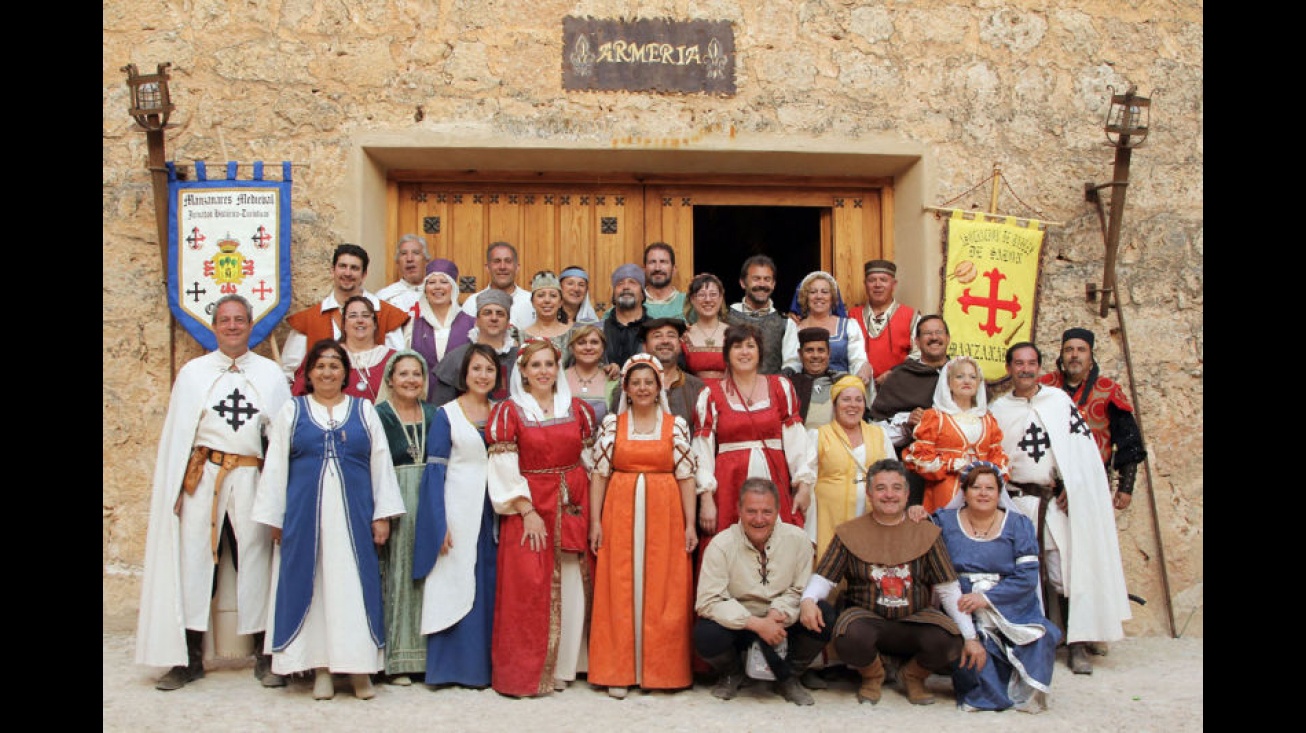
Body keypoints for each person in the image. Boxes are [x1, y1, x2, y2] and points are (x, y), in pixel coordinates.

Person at [136, 295, 292, 691]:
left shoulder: (272, 375)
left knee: (256, 561)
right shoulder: (193, 373)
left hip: (251, 479)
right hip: (203, 480)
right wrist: (174, 488)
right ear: (215, 326)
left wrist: (279, 495)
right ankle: (187, 658)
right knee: (193, 565)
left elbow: (281, 438)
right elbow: (177, 438)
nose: (233, 326)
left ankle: (265, 653)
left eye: (240, 320)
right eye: (226, 320)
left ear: (251, 325)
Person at [254, 338, 406, 701]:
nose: (327, 371)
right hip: (306, 519)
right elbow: (276, 467)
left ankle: (358, 671)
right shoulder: (292, 411)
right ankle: (320, 668)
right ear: (308, 373)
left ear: (345, 373)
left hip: (354, 519)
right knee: (314, 588)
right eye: (320, 365)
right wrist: (276, 517)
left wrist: (382, 515)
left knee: (354, 589)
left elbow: (380, 463)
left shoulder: (364, 410)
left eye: (334, 365)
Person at [989, 342, 1131, 675]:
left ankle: (1077, 643)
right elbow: (993, 459)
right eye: (1019, 363)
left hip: (1054, 502)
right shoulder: (998, 410)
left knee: (1063, 570)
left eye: (1032, 363)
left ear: (1040, 367)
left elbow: (1081, 454)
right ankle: (1029, 640)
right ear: (1009, 368)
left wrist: (1070, 483)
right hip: (1016, 502)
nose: (1025, 369)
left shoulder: (1058, 402)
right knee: (1022, 573)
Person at [796, 459, 973, 707]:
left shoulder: (926, 532)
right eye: (880, 488)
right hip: (867, 617)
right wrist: (808, 600)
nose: (889, 495)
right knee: (847, 635)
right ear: (869, 493)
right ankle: (872, 675)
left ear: (907, 493)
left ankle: (912, 676)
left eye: (896, 488)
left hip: (915, 617)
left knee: (950, 639)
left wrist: (971, 636)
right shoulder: (849, 532)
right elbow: (825, 576)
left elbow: (948, 588)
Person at [485, 338, 599, 697]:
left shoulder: (577, 409)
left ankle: (567, 666)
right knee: (530, 585)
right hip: (530, 504)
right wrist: (526, 509)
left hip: (571, 499)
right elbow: (502, 466)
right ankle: (531, 671)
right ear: (522, 371)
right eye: (535, 365)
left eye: (549, 364)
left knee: (572, 580)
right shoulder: (509, 412)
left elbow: (589, 461)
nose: (543, 371)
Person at [587, 354, 699, 699]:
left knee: (665, 586)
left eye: (648, 382)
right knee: (618, 586)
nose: (643, 388)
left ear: (659, 386)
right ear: (627, 389)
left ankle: (662, 671)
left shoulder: (675, 425)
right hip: (619, 511)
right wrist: (595, 521)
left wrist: (690, 523)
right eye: (635, 383)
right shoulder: (612, 425)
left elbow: (686, 476)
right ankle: (618, 670)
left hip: (665, 512)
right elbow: (600, 474)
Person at [932, 461, 1061, 713]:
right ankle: (987, 690)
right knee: (976, 651)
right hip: (962, 601)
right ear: (964, 492)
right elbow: (917, 533)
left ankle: (1024, 691)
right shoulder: (944, 521)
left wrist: (987, 598)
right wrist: (915, 511)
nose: (983, 493)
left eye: (989, 488)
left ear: (999, 492)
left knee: (1040, 636)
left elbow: (1026, 577)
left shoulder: (1018, 524)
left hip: (1009, 602)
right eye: (976, 487)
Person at [413, 343, 502, 688]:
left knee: (489, 587)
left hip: (494, 512)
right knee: (453, 582)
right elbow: (435, 473)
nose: (483, 375)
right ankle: (450, 668)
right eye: (477, 368)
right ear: (465, 374)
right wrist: (439, 524)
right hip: (457, 511)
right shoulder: (446, 415)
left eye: (489, 369)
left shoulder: (503, 412)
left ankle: (486, 670)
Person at [692, 477, 826, 706]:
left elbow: (800, 590)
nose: (759, 519)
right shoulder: (721, 544)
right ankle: (732, 673)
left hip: (782, 619)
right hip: (741, 623)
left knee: (824, 615)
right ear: (739, 510)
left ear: (777, 511)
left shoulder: (798, 540)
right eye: (751, 511)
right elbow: (708, 600)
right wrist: (755, 623)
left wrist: (777, 614)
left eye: (766, 511)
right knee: (705, 634)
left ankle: (789, 676)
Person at [693, 322, 814, 545]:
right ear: (727, 354)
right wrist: (707, 498)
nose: (745, 352)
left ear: (760, 352)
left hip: (774, 480)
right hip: (730, 485)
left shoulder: (780, 387)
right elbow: (702, 450)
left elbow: (797, 441)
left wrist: (804, 484)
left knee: (780, 546)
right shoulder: (710, 395)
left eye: (750, 346)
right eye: (737, 346)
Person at [373, 350, 440, 685]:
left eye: (417, 374)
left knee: (428, 575)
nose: (411, 380)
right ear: (390, 380)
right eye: (404, 374)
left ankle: (427, 657)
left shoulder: (434, 413)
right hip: (395, 497)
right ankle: (397, 659)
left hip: (428, 497)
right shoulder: (377, 415)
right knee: (397, 573)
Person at [1039, 327, 1146, 510]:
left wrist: (1126, 487)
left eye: (1081, 350)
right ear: (1061, 356)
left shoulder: (1107, 391)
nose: (1074, 355)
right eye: (1068, 350)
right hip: (1050, 485)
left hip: (1092, 483)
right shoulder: (1044, 387)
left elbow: (1129, 441)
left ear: (1090, 357)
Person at [280, 243, 409, 385]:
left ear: (364, 275)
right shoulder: (309, 319)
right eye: (342, 266)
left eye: (354, 268)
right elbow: (290, 372)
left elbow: (399, 365)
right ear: (332, 271)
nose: (347, 273)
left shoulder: (386, 314)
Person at [802, 375, 896, 559]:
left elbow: (894, 475)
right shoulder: (819, 436)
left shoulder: (880, 435)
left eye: (858, 399)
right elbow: (807, 479)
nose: (853, 405)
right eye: (846, 399)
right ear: (835, 404)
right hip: (828, 516)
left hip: (871, 514)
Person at [902, 355, 1010, 514]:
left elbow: (997, 456)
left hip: (982, 496)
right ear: (949, 383)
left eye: (973, 377)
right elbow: (918, 459)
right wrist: (952, 464)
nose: (967, 381)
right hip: (945, 495)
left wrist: (990, 473)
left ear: (979, 383)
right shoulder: (935, 418)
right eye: (960, 376)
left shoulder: (987, 420)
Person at [868, 314, 953, 504]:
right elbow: (876, 431)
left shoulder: (962, 375)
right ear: (917, 341)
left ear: (947, 338)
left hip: (954, 471)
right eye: (927, 333)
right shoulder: (901, 376)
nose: (934, 337)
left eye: (938, 332)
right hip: (912, 472)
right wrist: (907, 422)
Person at [291, 295, 396, 402]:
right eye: (353, 316)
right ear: (344, 325)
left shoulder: (394, 360)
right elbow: (299, 396)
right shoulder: (321, 356)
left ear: (374, 324)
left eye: (365, 315)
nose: (360, 320)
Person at [782, 270, 873, 385]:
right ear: (805, 297)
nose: (819, 296)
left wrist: (863, 369)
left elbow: (857, 360)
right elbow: (792, 363)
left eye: (825, 292)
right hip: (806, 390)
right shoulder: (795, 327)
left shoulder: (849, 326)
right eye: (813, 292)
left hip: (842, 390)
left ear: (833, 297)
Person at [431, 289, 519, 405]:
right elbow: (441, 408)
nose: (494, 318)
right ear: (477, 321)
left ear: (508, 322)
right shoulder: (456, 357)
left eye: (500, 313)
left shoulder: (521, 357)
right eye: (487, 313)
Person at [406, 258, 475, 400]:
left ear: (453, 288)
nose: (437, 287)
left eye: (444, 282)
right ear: (425, 289)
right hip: (423, 403)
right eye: (431, 282)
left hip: (462, 402)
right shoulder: (413, 325)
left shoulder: (472, 324)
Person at [619, 316, 705, 430]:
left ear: (680, 345)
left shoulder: (696, 388)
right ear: (645, 347)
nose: (665, 341)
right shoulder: (627, 387)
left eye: (671, 335)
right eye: (657, 336)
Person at [847, 259, 922, 387]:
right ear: (865, 284)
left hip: (898, 388)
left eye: (883, 280)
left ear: (893, 284)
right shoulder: (851, 316)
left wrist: (894, 373)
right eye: (872, 280)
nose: (877, 285)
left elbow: (919, 354)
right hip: (858, 392)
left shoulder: (911, 316)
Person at [724, 254, 787, 375]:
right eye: (756, 279)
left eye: (767, 279)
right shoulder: (725, 317)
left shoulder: (785, 322)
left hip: (771, 391)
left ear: (773, 284)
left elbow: (792, 364)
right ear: (743, 283)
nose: (762, 284)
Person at [782, 326, 851, 430]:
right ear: (800, 354)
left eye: (821, 350)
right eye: (809, 350)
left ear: (829, 353)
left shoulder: (843, 383)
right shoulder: (789, 386)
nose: (815, 355)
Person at [459, 241, 536, 330]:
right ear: (487, 268)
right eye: (497, 261)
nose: (502, 267)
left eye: (508, 261)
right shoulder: (472, 303)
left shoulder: (532, 302)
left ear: (517, 267)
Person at [564, 323, 619, 424]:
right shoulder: (559, 378)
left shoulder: (613, 379)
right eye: (581, 343)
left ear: (603, 347)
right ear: (572, 348)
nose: (588, 347)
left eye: (594, 342)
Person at [681, 272, 729, 384]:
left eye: (713, 294)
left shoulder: (732, 334)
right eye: (702, 295)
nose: (708, 300)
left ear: (721, 298)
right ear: (693, 299)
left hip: (727, 397)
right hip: (694, 396)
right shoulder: (684, 336)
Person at [511, 270, 575, 354]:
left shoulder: (573, 334)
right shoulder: (521, 336)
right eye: (541, 295)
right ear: (532, 302)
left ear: (560, 302)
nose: (547, 300)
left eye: (553, 295)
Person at [602, 263, 649, 376]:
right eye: (620, 284)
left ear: (643, 295)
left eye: (633, 282)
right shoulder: (599, 329)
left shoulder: (654, 329)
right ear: (613, 295)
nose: (626, 287)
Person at [376, 233, 431, 317]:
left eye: (416, 253)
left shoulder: (438, 295)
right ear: (398, 262)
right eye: (404, 253)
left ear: (426, 261)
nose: (409, 259)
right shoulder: (385, 297)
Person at [642, 242, 687, 321]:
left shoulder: (688, 302)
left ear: (674, 269)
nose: (657, 268)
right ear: (644, 269)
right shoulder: (633, 303)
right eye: (652, 262)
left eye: (663, 262)